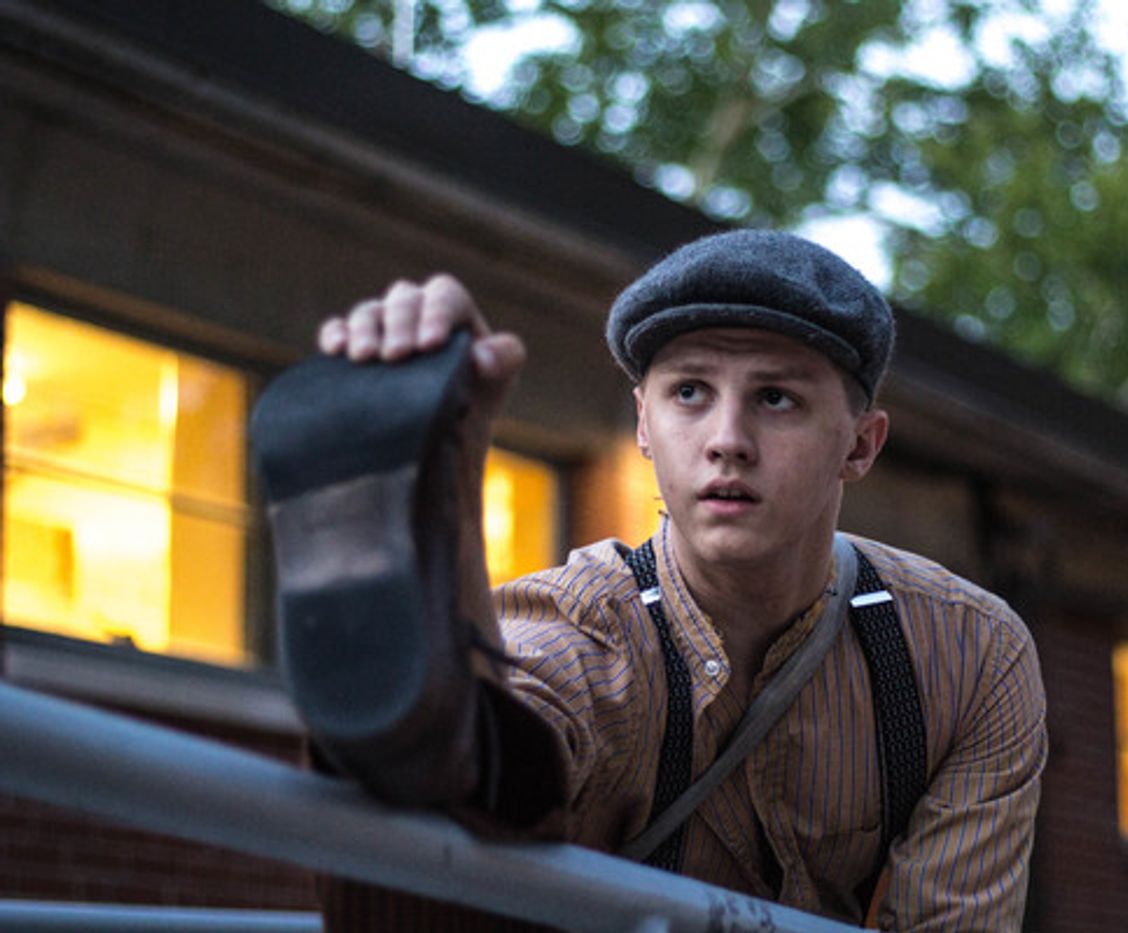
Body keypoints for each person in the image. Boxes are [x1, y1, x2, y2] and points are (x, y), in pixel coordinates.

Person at [269, 230, 1047, 931]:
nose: (727, 441)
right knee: (486, 768)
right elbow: (536, 688)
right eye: (690, 393)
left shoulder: (968, 653)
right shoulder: (588, 625)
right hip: (499, 763)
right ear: (643, 423)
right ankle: (438, 649)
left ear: (861, 443)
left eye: (776, 398)